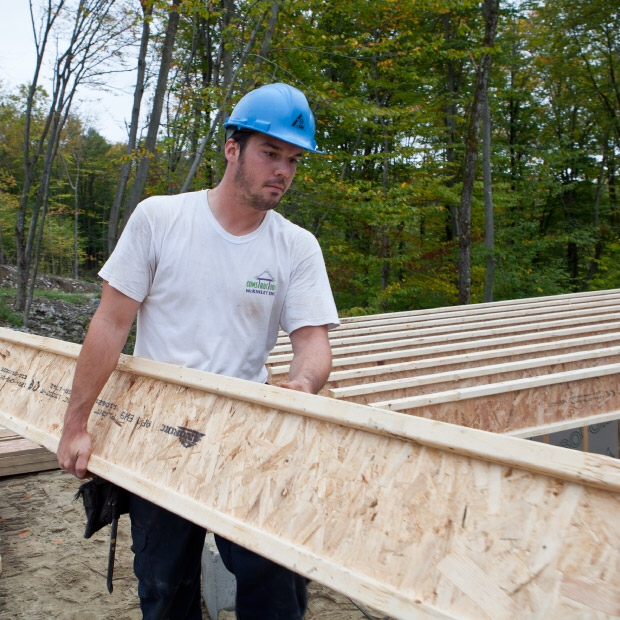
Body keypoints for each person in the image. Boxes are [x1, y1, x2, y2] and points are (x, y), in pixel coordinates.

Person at [57, 82, 340, 620]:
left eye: (293, 160)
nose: (282, 170)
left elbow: (312, 344)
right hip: (159, 428)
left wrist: (303, 383)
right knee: (164, 586)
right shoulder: (160, 219)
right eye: (270, 153)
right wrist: (76, 423)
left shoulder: (296, 246)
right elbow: (111, 324)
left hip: (245, 429)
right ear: (232, 148)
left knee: (276, 581)